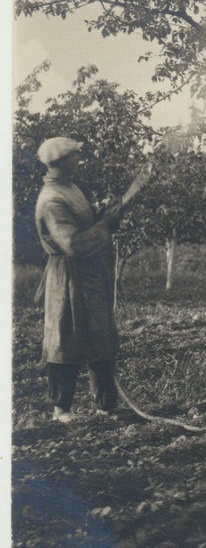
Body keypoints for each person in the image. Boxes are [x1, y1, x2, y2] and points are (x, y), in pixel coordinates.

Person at [35, 137, 123, 422]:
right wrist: (106, 226)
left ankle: (106, 405)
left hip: (89, 273)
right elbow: (73, 244)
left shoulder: (70, 188)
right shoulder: (51, 200)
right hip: (68, 277)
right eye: (74, 156)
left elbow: (85, 225)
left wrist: (106, 215)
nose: (79, 160)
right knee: (65, 339)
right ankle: (61, 408)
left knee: (100, 335)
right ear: (59, 162)